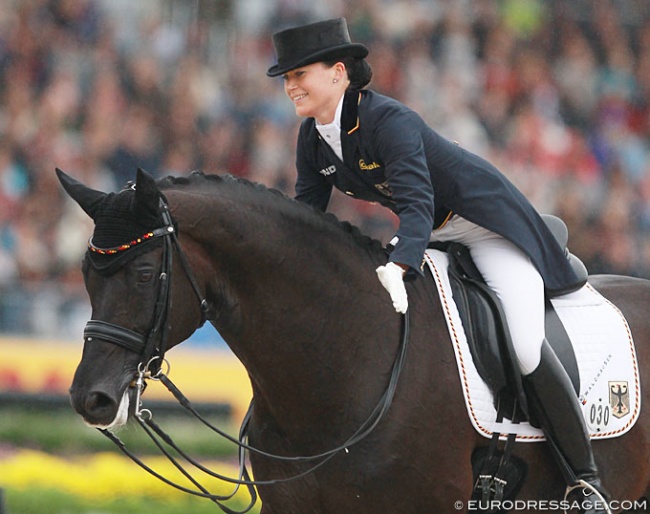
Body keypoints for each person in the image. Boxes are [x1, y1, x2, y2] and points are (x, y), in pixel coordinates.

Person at [267, 17, 611, 513]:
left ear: (339, 72)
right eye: (286, 77)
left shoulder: (388, 121)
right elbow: (306, 217)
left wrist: (400, 261)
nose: (290, 85)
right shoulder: (313, 137)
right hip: (436, 236)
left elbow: (418, 202)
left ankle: (586, 480)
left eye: (300, 73)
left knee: (523, 344)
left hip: (488, 230)